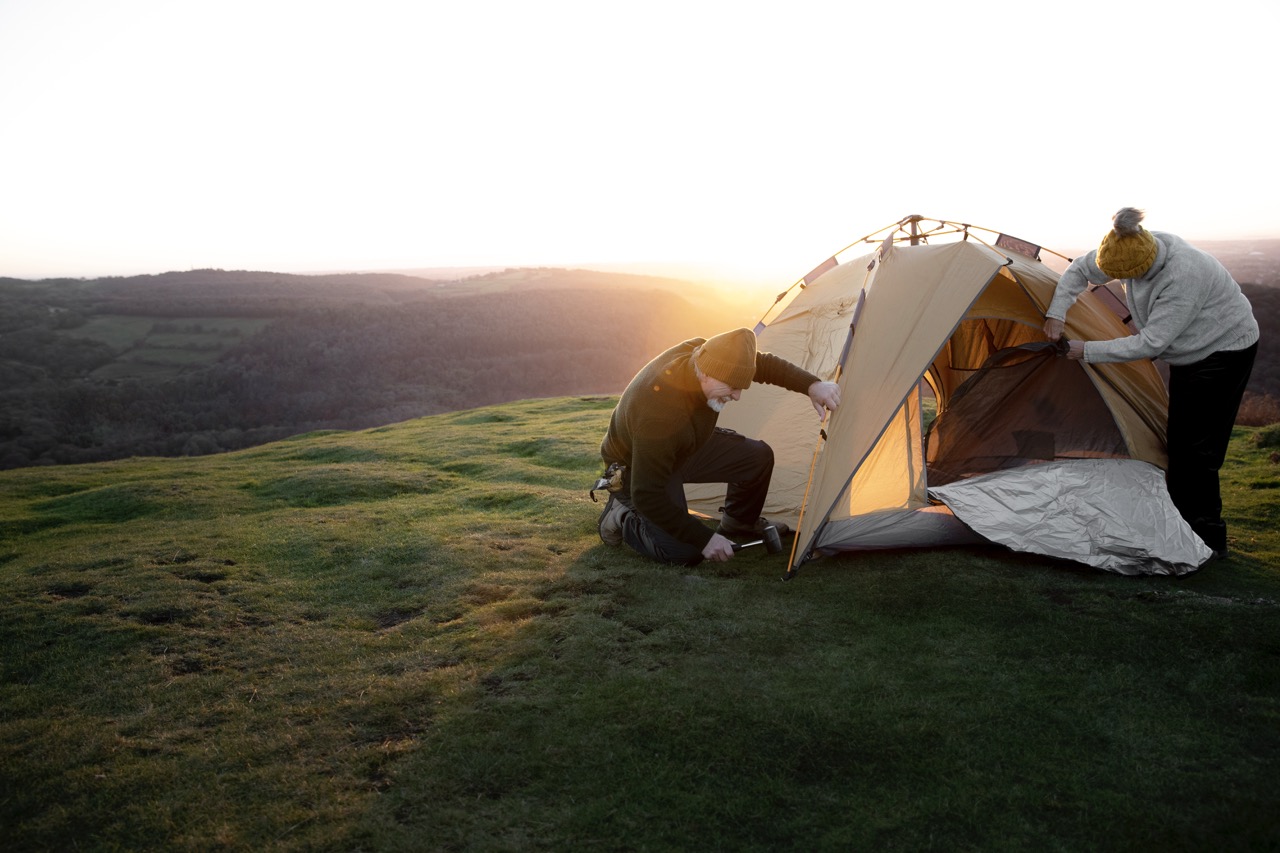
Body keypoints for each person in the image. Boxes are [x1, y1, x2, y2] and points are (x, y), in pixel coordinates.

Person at [1043, 207, 1259, 558]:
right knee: (1181, 438)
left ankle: (1206, 539)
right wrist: (1056, 312)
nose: (1123, 283)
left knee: (1195, 447)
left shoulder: (1185, 274)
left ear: (1145, 267)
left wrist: (1086, 350)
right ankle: (1177, 520)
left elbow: (1151, 344)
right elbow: (1080, 270)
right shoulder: (1124, 246)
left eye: (1127, 278)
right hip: (1188, 349)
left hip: (1224, 351)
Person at [595, 327, 840, 565]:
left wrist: (812, 385)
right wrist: (705, 539)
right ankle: (621, 515)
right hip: (637, 465)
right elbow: (647, 493)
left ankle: (739, 522)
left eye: (741, 387)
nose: (737, 396)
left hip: (683, 444)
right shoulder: (658, 412)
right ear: (705, 374)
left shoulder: (710, 355)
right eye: (732, 388)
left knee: (757, 457)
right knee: (686, 552)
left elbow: (762, 364)